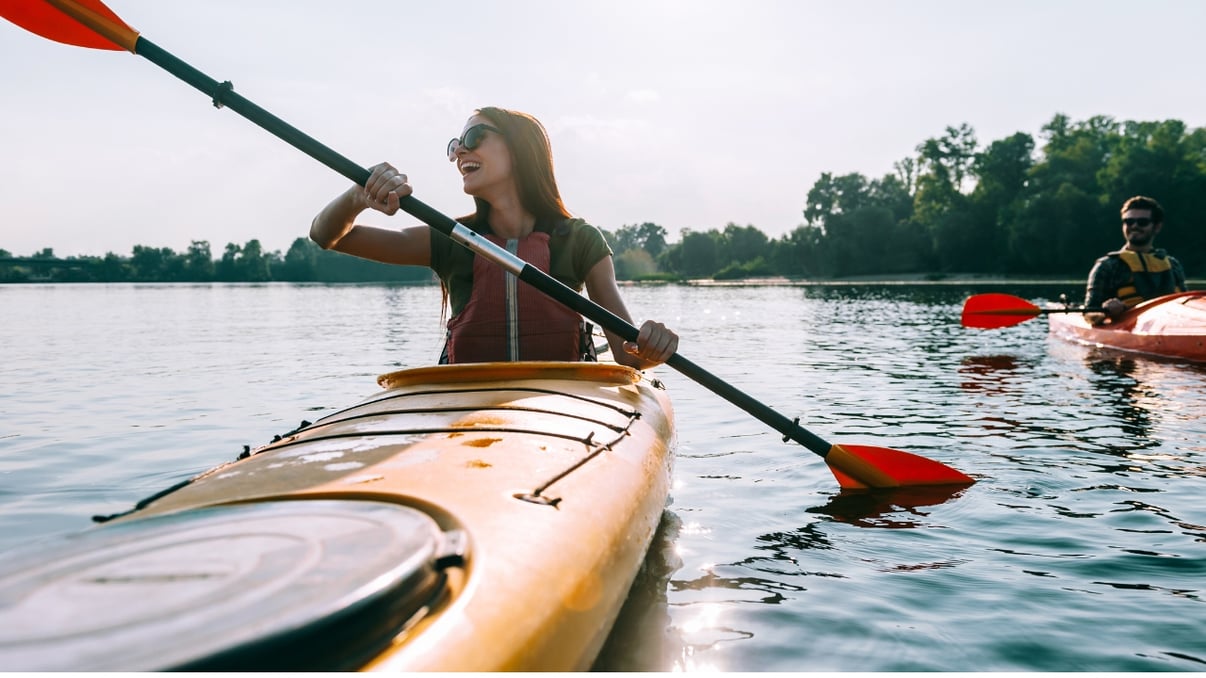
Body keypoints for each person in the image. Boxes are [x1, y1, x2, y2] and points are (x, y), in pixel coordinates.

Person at [310, 106, 678, 369]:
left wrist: (652, 347)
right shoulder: (449, 238)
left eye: (473, 137)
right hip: (468, 407)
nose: (460, 152)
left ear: (521, 150)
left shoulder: (580, 240)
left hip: (562, 405)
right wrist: (357, 196)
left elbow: (626, 354)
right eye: (456, 144)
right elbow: (329, 236)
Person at [1083, 195, 1186, 324]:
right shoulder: (1107, 266)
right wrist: (1105, 310)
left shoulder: (1173, 264)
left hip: (1171, 325)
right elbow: (1089, 314)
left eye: (1142, 222)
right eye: (1129, 221)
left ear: (1157, 227)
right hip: (1128, 328)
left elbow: (1185, 302)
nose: (1134, 226)